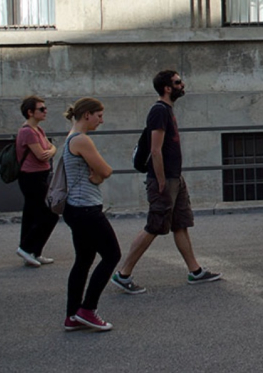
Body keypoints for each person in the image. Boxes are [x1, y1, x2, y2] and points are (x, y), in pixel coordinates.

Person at [111, 71, 220, 294]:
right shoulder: (159, 111)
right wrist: (161, 181)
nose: (183, 85)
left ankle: (195, 271)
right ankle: (123, 274)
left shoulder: (167, 110)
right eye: (178, 82)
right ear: (168, 88)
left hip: (174, 178)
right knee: (154, 225)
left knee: (180, 223)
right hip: (164, 180)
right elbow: (155, 149)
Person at [61, 98, 120, 331]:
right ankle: (87, 309)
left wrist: (97, 175)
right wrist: (99, 175)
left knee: (83, 261)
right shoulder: (81, 140)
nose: (101, 120)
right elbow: (106, 170)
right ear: (87, 115)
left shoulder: (70, 137)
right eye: (99, 115)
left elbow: (97, 172)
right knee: (112, 255)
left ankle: (72, 315)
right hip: (86, 208)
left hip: (75, 208)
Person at [14, 95, 60, 267]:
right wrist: (49, 151)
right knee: (50, 213)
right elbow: (42, 155)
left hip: (40, 175)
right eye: (41, 109)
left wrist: (51, 150)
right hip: (31, 177)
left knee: (32, 215)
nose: (45, 111)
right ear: (30, 112)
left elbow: (51, 147)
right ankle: (26, 248)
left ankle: (34, 252)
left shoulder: (38, 130)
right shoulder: (27, 132)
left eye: (45, 108)